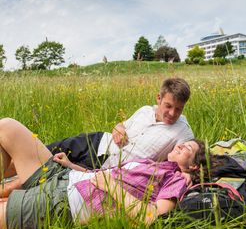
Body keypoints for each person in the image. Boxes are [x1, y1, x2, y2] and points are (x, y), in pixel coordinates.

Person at [0, 118, 211, 229]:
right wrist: (71, 165)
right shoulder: (154, 164)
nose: (181, 144)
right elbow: (102, 174)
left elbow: (151, 218)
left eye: (187, 149)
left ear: (193, 165)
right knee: (7, 127)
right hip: (64, 176)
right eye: (184, 143)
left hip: (64, 202)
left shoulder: (176, 181)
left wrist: (110, 185)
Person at [1, 77, 194, 197]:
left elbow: (191, 154)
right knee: (37, 151)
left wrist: (188, 173)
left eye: (178, 109)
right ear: (158, 99)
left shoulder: (182, 131)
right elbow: (121, 126)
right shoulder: (145, 110)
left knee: (44, 168)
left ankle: (9, 189)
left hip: (102, 167)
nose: (172, 113)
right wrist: (118, 128)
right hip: (97, 142)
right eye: (168, 106)